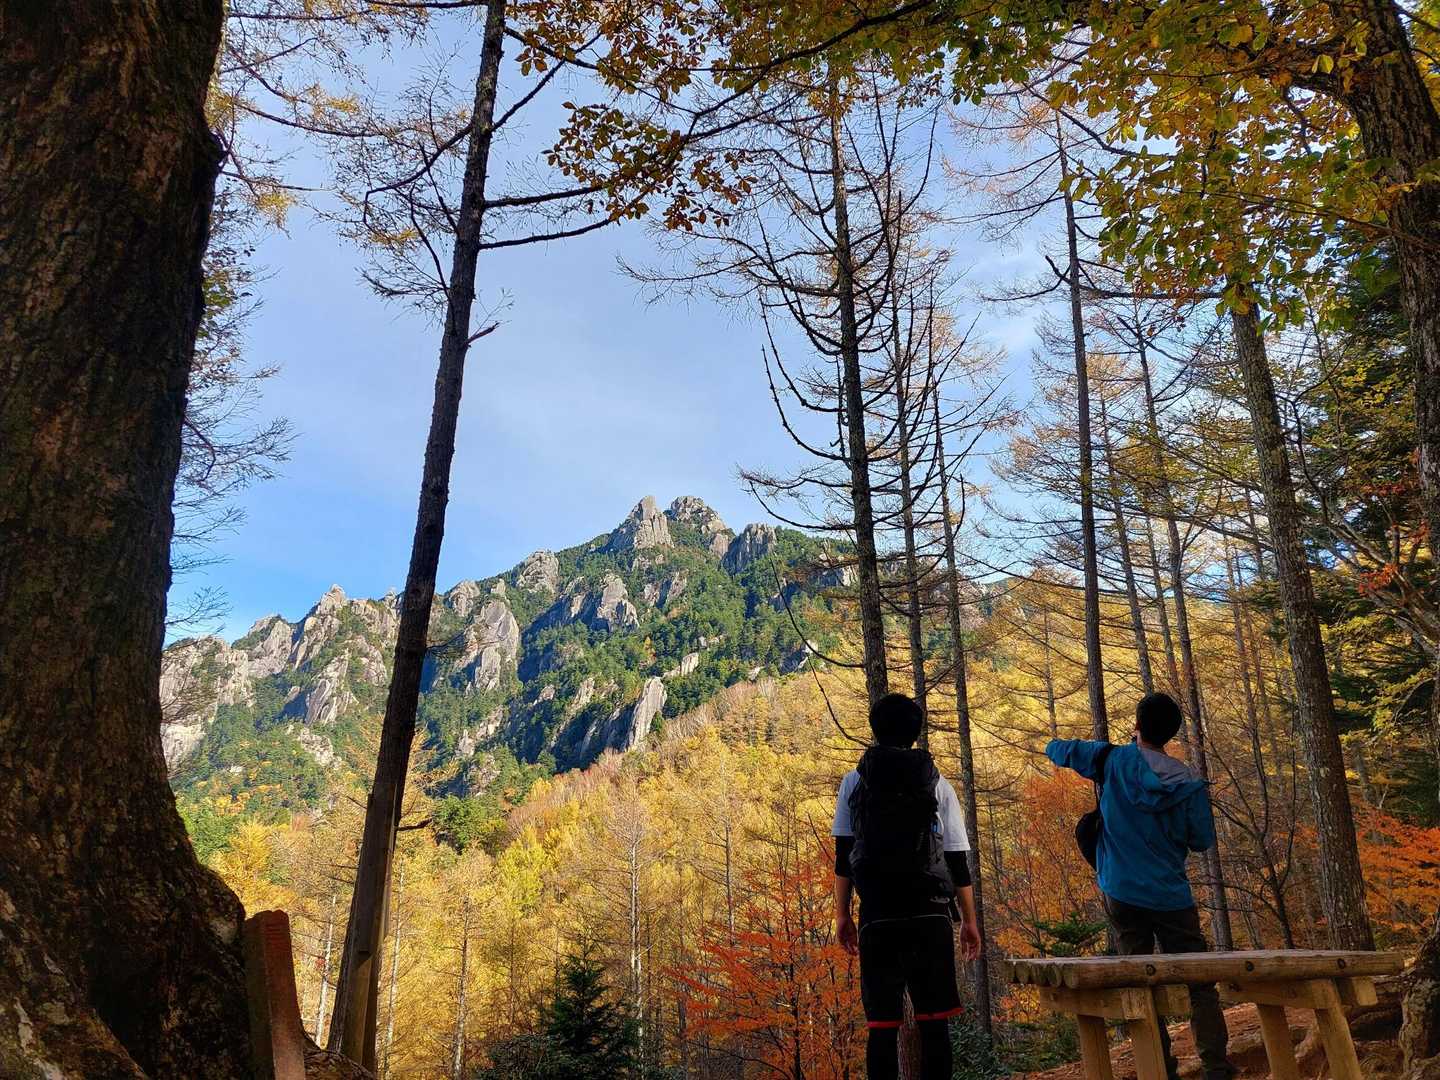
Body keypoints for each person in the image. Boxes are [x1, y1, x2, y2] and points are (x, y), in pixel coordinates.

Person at [1046, 691, 1236, 1080]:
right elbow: (1201, 840)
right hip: (1171, 896)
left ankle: (1159, 1070)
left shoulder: (1111, 760)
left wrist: (1058, 746)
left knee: (1139, 984)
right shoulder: (1188, 783)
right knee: (1200, 985)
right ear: (1171, 734)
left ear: (1136, 725)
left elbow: (1058, 749)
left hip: (1122, 893)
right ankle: (1216, 1068)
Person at [833, 692, 982, 1080]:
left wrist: (842, 915)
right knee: (935, 1023)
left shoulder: (854, 782)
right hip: (929, 913)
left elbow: (843, 857)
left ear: (875, 730)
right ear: (916, 733)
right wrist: (968, 921)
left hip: (877, 913)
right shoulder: (937, 783)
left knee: (882, 1027)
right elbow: (956, 859)